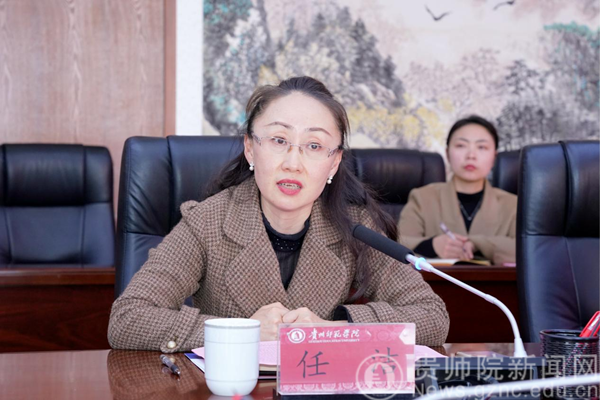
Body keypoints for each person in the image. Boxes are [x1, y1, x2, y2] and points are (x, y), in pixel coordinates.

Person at [108, 76, 449, 353]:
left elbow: (432, 316)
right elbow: (128, 319)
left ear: (334, 163)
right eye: (278, 140)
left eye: (314, 146)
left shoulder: (357, 228)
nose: (293, 163)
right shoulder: (207, 222)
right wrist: (242, 332)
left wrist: (336, 330)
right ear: (250, 148)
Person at [398, 115, 516, 265]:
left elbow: (529, 250)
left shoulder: (513, 204)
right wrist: (432, 246)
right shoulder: (422, 197)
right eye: (461, 145)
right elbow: (399, 244)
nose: (471, 155)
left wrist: (478, 244)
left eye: (481, 147)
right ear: (447, 153)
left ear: (494, 157)